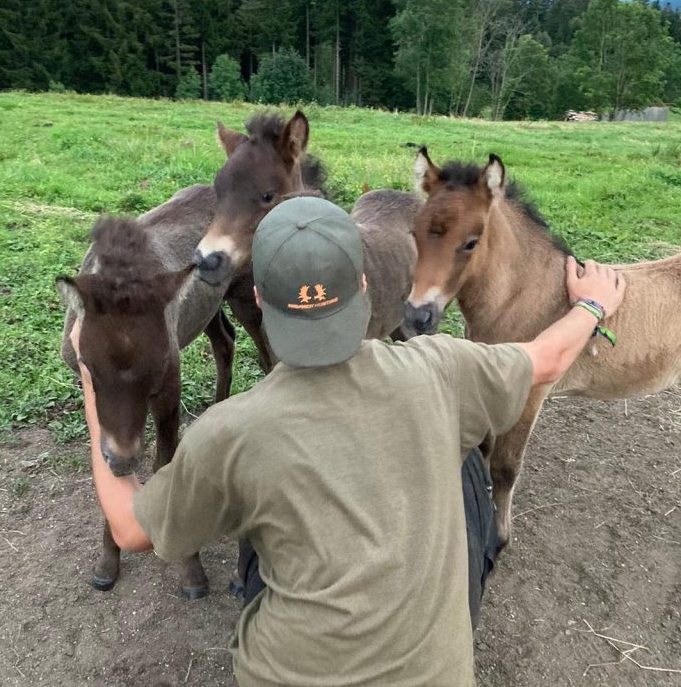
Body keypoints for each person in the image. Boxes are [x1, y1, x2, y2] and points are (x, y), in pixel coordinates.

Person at [70, 196, 626, 687]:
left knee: (253, 513)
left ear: (258, 297)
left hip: (282, 674)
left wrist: (95, 388)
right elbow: (547, 359)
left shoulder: (228, 432)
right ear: (363, 284)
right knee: (468, 470)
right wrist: (593, 304)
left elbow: (129, 529)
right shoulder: (444, 367)